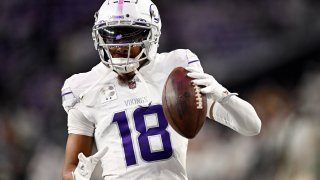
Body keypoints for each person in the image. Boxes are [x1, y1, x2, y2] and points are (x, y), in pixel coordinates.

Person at [61, 0, 261, 179]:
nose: (120, 47)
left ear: (152, 35)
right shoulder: (83, 88)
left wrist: (224, 96)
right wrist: (77, 177)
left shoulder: (176, 70)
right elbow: (70, 168)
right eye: (111, 37)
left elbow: (252, 126)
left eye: (129, 36)